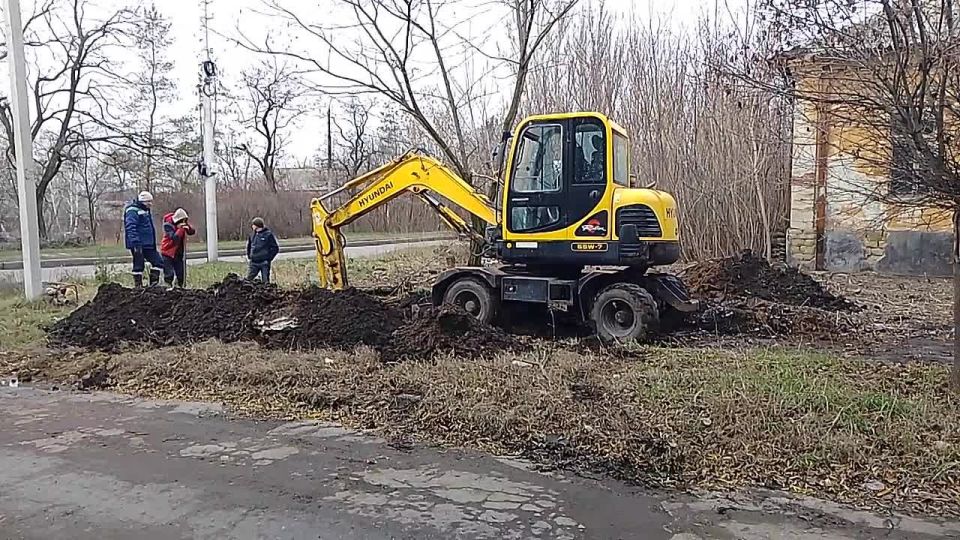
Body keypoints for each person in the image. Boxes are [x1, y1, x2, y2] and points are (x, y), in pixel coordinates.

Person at [124, 190, 162, 287]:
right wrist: (135, 243)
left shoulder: (146, 210)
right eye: (148, 202)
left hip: (148, 244)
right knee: (138, 265)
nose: (150, 204)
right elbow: (131, 227)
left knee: (158, 262)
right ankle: (138, 286)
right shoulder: (132, 211)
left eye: (151, 201)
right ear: (142, 201)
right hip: (138, 244)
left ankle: (153, 286)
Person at [160, 208, 195, 288]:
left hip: (178, 252)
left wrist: (188, 228)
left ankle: (179, 286)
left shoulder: (183, 224)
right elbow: (174, 238)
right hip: (168, 252)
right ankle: (167, 286)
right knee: (169, 273)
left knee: (180, 273)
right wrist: (180, 229)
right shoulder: (168, 225)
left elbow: (192, 232)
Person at [246, 217, 279, 284]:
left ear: (257, 225)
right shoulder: (252, 235)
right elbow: (249, 246)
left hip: (264, 262)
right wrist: (249, 255)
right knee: (248, 280)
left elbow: (275, 248)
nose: (252, 226)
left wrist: (269, 258)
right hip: (253, 262)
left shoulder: (268, 234)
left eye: (253, 225)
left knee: (265, 282)